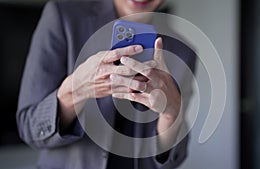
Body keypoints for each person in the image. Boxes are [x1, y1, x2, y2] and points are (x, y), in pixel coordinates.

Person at [16, 0, 196, 168]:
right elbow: (29, 129)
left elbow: (171, 161)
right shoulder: (62, 17)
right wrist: (75, 91)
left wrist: (171, 116)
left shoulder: (182, 52)